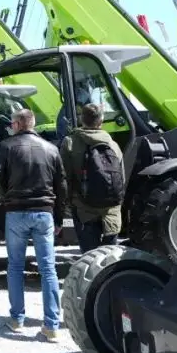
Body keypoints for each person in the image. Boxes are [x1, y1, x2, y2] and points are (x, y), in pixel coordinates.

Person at [0, 108, 67, 340]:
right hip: (44, 213)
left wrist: (4, 198)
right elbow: (62, 186)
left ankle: (17, 319)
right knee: (48, 269)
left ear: (17, 124)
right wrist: (59, 217)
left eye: (12, 124)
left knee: (15, 266)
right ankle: (52, 325)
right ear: (32, 124)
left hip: (16, 212)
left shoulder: (6, 146)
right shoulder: (51, 149)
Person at [60, 103, 124, 253]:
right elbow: (122, 178)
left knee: (89, 256)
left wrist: (67, 204)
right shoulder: (113, 145)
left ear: (82, 119)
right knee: (109, 258)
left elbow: (64, 177)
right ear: (101, 121)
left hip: (84, 210)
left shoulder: (70, 143)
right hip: (111, 212)